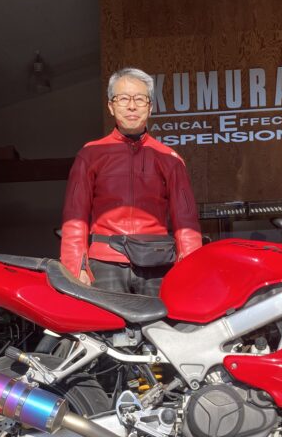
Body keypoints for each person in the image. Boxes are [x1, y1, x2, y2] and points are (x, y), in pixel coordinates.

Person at [60, 67, 202, 296]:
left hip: (157, 262)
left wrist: (190, 268)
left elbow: (186, 221)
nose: (132, 106)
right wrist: (76, 266)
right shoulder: (90, 154)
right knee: (105, 320)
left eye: (139, 99)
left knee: (161, 320)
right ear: (111, 105)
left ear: (150, 106)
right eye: (123, 98)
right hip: (105, 262)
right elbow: (75, 216)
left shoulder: (170, 158)